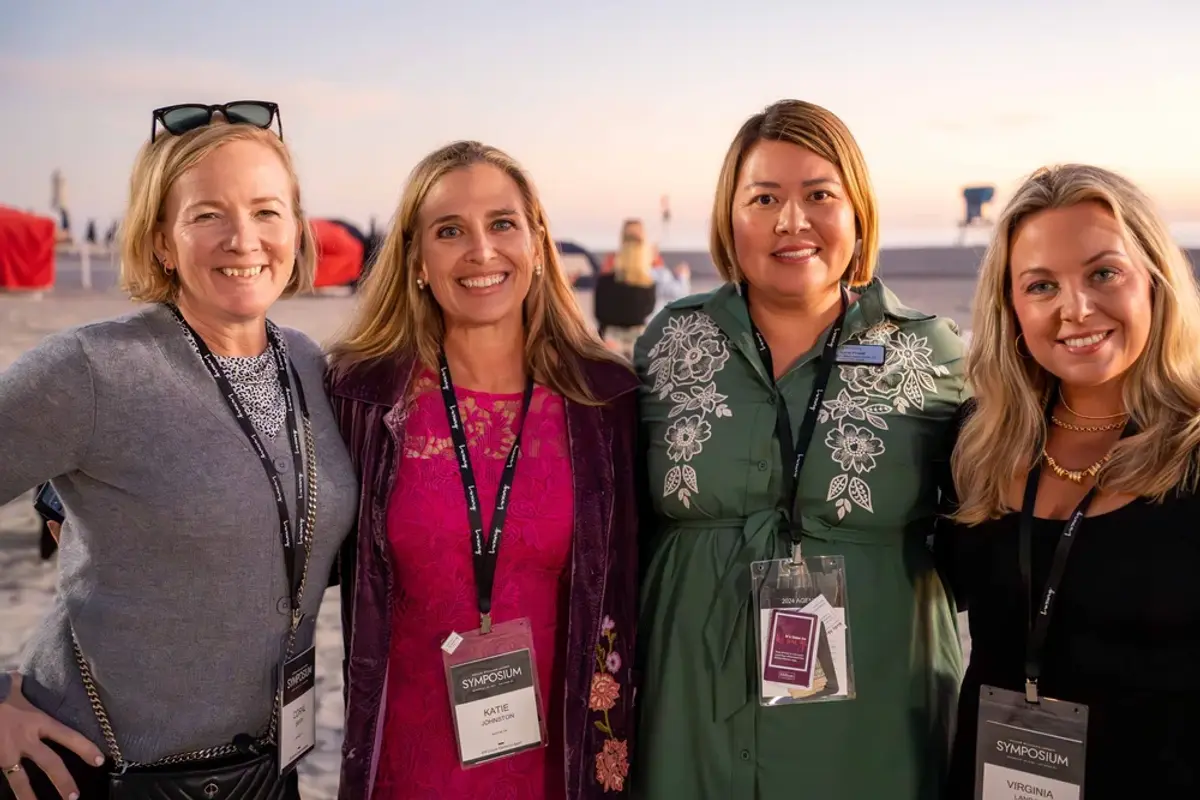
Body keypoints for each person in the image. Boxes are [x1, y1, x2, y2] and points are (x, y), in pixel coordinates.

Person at [0, 104, 358, 800]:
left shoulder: (312, 365)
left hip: (267, 769)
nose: (243, 239)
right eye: (206, 216)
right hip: (93, 771)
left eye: (266, 211)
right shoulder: (92, 367)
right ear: (162, 239)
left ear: (295, 227)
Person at [633, 99, 967, 799]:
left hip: (872, 719)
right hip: (693, 713)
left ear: (857, 213)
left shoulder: (930, 352)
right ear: (731, 216)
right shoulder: (667, 343)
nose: (793, 222)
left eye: (819, 195)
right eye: (764, 198)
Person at [326, 140, 641, 799]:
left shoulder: (607, 398)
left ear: (537, 240)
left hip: (564, 766)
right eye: (449, 231)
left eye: (503, 223)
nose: (482, 251)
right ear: (415, 258)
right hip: (407, 766)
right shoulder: (362, 394)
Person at [938, 164, 1200, 797]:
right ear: (1011, 308)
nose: (1075, 309)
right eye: (1041, 286)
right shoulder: (974, 441)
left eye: (1103, 273)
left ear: (1154, 284)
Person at [595, 218, 659, 359]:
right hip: (637, 341)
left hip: (609, 340)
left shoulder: (606, 280)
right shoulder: (648, 284)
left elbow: (599, 313)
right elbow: (647, 312)